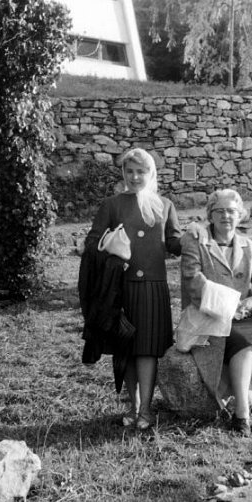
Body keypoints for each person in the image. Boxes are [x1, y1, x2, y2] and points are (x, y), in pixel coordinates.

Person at [79, 148, 182, 430]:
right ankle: (132, 406)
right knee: (126, 347)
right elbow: (92, 243)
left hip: (153, 287)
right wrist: (112, 252)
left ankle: (146, 409)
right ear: (123, 173)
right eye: (130, 171)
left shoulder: (165, 205)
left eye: (141, 172)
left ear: (151, 173)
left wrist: (194, 239)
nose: (135, 177)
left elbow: (174, 243)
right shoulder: (112, 205)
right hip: (120, 287)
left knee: (147, 349)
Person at [180, 188, 252, 436]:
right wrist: (231, 306)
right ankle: (242, 414)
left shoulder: (249, 246)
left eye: (231, 211)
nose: (226, 216)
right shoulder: (196, 243)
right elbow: (193, 281)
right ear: (210, 215)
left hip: (244, 314)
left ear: (240, 215)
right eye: (219, 211)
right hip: (210, 315)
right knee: (242, 342)